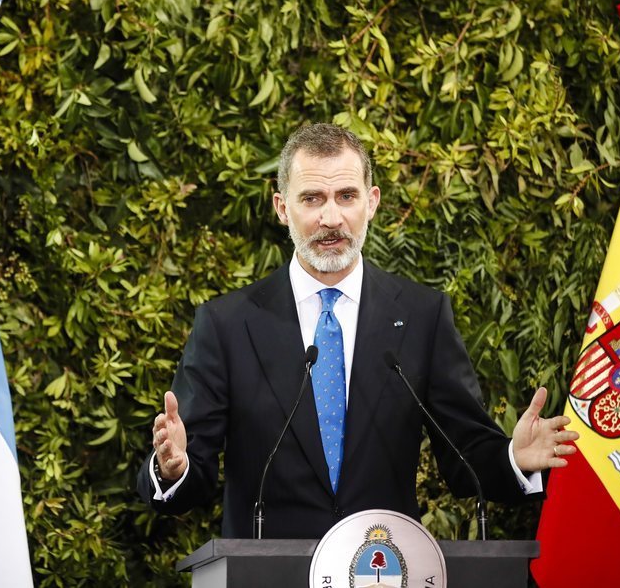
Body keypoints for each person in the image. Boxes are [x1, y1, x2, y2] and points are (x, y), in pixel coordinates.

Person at [137, 123, 578, 538]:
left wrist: (512, 458)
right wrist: (172, 469)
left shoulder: (423, 317)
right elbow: (190, 469)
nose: (332, 218)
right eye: (312, 199)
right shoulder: (227, 325)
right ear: (281, 208)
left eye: (346, 196)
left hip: (384, 566)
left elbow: (465, 454)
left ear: (372, 202)